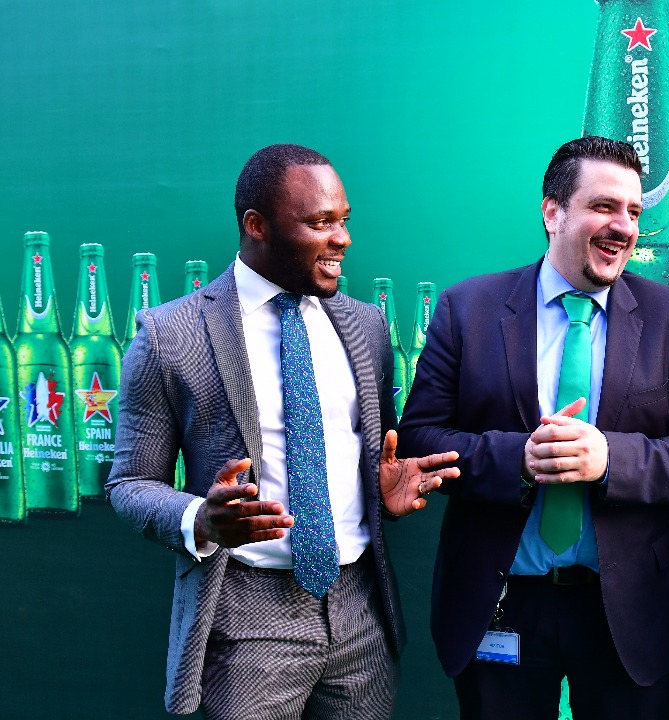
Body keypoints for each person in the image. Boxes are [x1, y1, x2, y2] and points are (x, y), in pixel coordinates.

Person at [106, 143, 459, 720]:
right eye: (321, 223)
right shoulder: (170, 334)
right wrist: (201, 519)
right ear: (257, 226)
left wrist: (383, 493)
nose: (343, 238)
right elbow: (129, 484)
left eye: (344, 220)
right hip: (245, 614)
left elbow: (362, 456)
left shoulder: (366, 325)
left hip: (361, 609)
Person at [396, 136, 669, 720]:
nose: (624, 226)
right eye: (604, 206)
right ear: (552, 212)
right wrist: (519, 460)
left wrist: (610, 460)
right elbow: (420, 437)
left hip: (628, 611)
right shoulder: (467, 309)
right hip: (501, 604)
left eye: (633, 211)